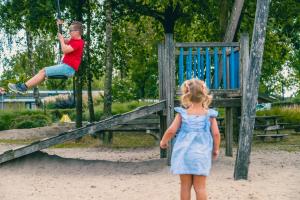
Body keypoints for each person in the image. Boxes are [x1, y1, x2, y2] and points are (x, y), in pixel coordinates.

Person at [160, 78, 220, 200]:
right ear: (204, 93)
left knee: (185, 186)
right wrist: (216, 149)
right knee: (200, 188)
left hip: (184, 155)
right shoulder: (210, 115)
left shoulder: (182, 114)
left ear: (186, 94)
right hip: (201, 155)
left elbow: (171, 130)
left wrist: (163, 142)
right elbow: (216, 134)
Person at [8, 20, 85, 94]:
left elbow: (64, 50)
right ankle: (23, 87)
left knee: (44, 71)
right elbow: (62, 39)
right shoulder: (73, 40)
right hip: (66, 67)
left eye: (71, 30)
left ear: (77, 31)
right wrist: (59, 25)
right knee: (42, 71)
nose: (69, 32)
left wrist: (61, 40)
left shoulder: (78, 43)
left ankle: (23, 87)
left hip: (68, 68)